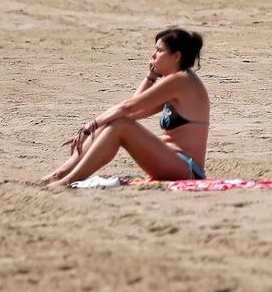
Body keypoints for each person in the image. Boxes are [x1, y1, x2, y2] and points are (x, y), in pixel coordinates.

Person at [45, 28, 210, 187]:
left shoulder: (181, 80)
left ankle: (68, 180)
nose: (153, 55)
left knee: (120, 125)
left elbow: (129, 107)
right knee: (117, 120)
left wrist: (90, 126)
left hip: (187, 169)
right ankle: (60, 173)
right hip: (171, 160)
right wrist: (151, 76)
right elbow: (135, 112)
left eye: (159, 51)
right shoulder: (176, 82)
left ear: (176, 56)